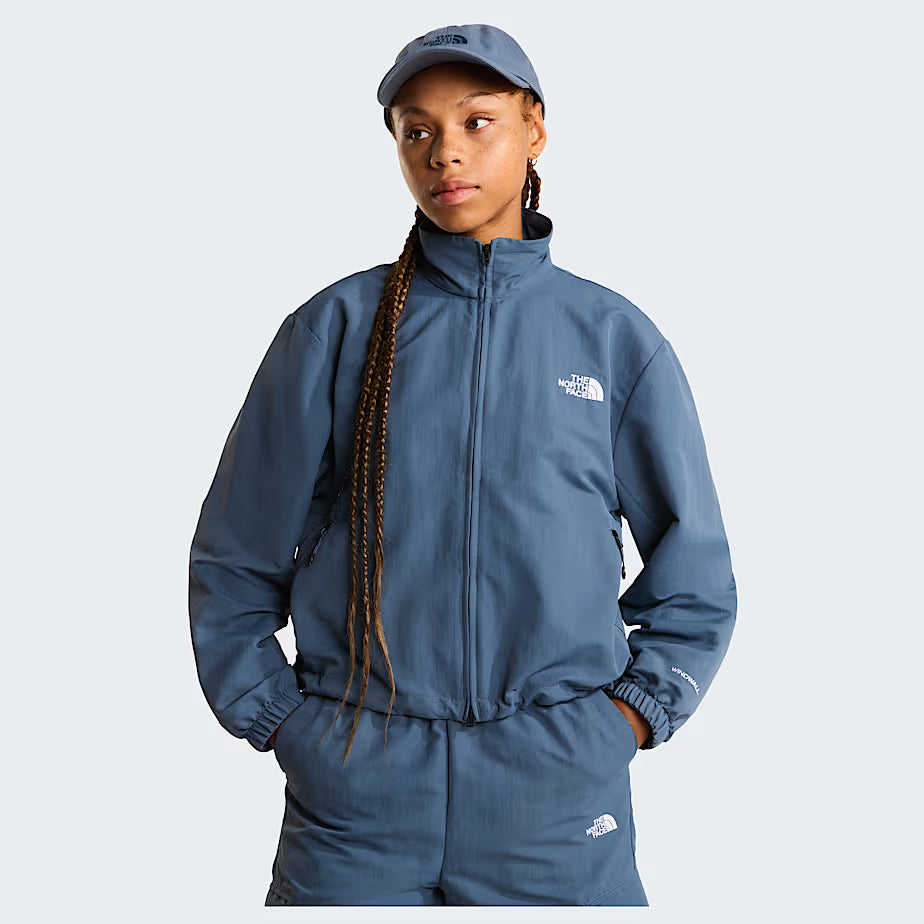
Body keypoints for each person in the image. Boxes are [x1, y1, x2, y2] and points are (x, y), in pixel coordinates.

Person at [188, 22, 737, 907]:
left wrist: (626, 720)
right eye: (418, 130)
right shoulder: (334, 331)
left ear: (535, 128)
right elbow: (234, 553)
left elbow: (696, 577)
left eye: (478, 122)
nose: (445, 151)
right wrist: (282, 721)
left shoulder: (613, 341)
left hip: (556, 795)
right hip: (358, 793)